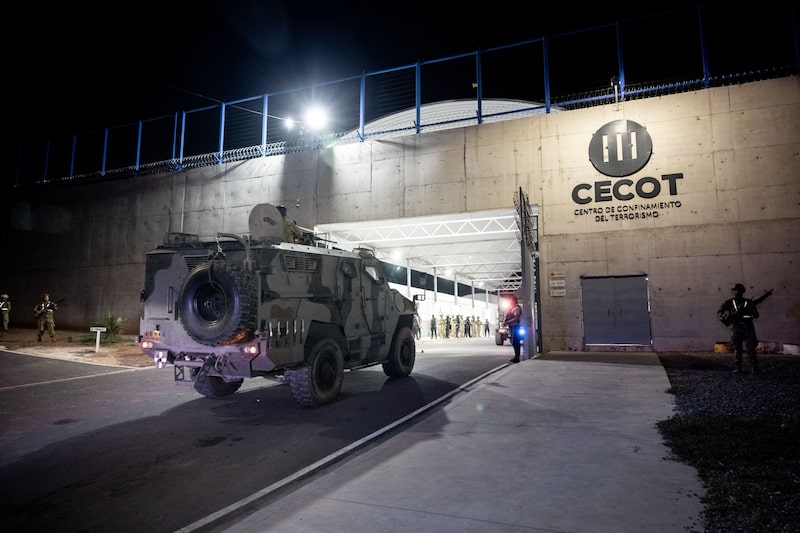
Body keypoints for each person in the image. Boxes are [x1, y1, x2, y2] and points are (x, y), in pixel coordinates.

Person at [717, 283, 769, 374]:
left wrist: (750, 310)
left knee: (751, 349)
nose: (737, 292)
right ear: (733, 291)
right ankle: (738, 367)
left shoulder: (748, 302)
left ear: (742, 291)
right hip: (736, 328)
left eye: (739, 290)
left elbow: (756, 315)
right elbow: (719, 313)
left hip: (747, 327)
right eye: (735, 290)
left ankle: (754, 367)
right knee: (737, 349)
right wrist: (726, 319)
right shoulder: (729, 302)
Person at [504, 295, 523, 363]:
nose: (510, 302)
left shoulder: (516, 308)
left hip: (515, 327)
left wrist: (507, 322)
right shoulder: (512, 308)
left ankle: (517, 357)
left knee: (516, 342)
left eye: (511, 301)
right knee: (514, 342)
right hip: (512, 327)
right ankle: (516, 357)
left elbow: (516, 318)